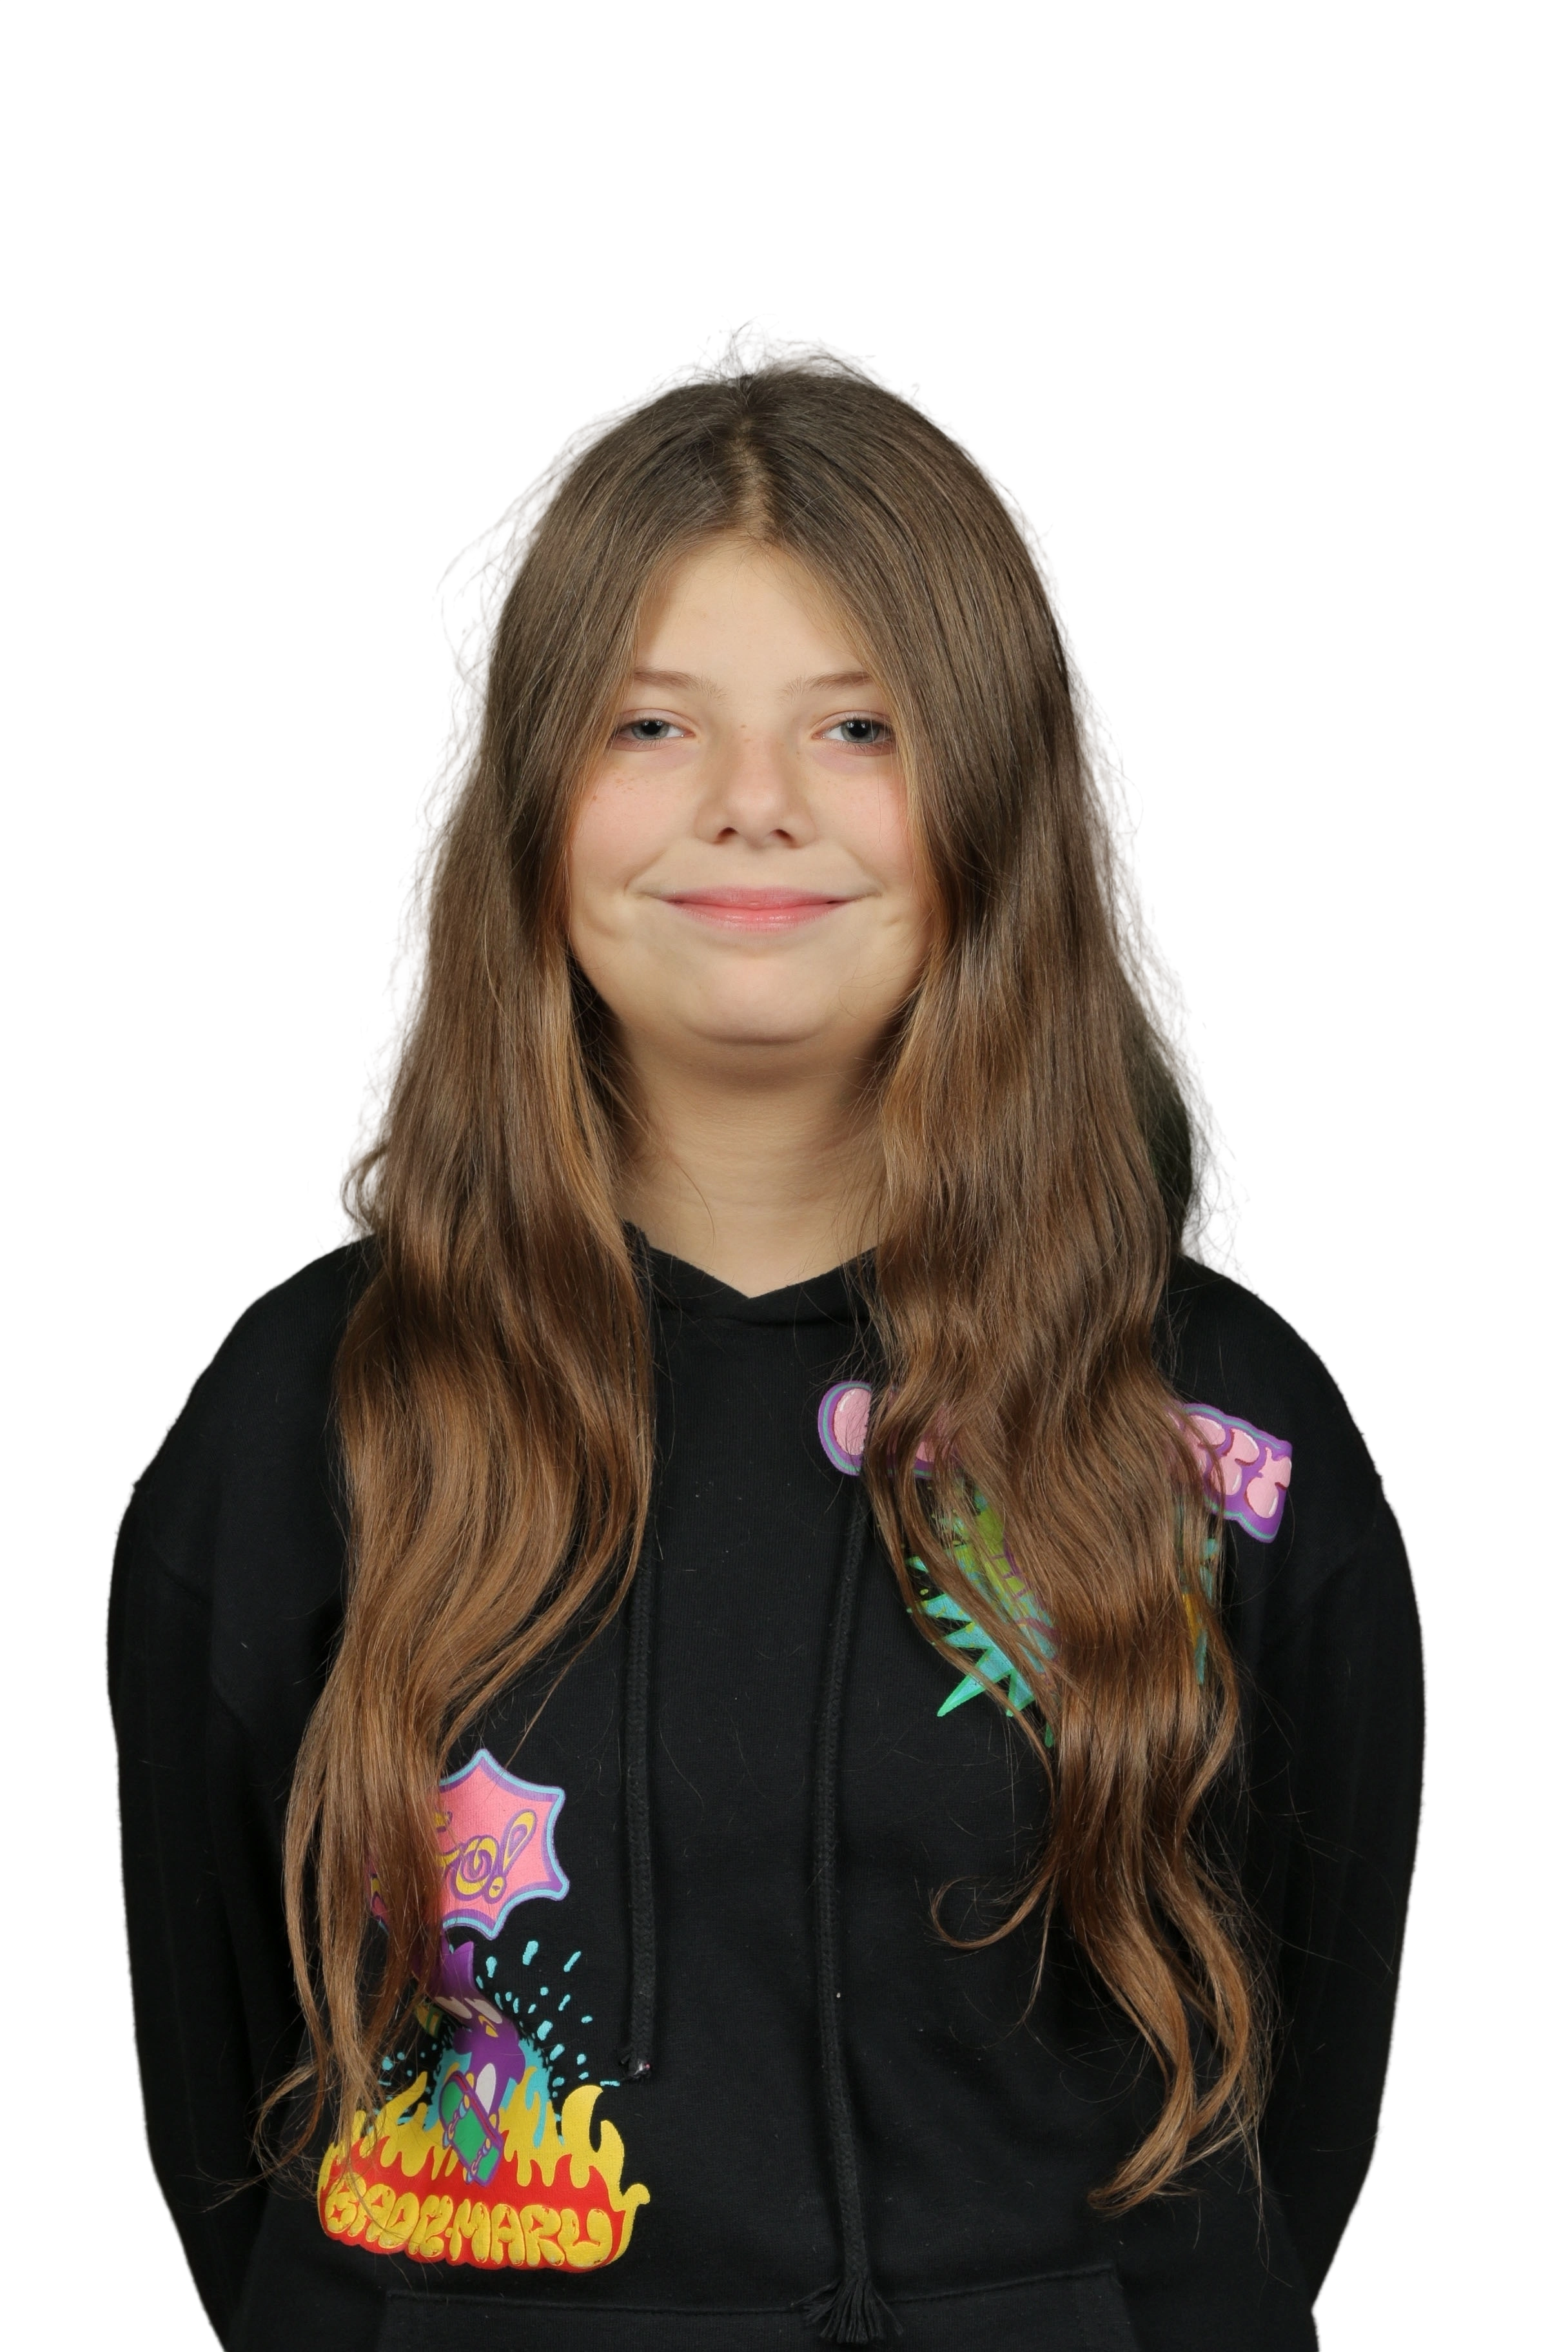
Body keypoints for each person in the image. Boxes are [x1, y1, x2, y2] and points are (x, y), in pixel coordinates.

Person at [103, 312, 1427, 2352]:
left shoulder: (1223, 1428)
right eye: (651, 726)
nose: (752, 809)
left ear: (996, 794)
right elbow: (225, 2115)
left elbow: (1298, 2127)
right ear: (524, 796)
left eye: (859, 727)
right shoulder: (303, 1425)